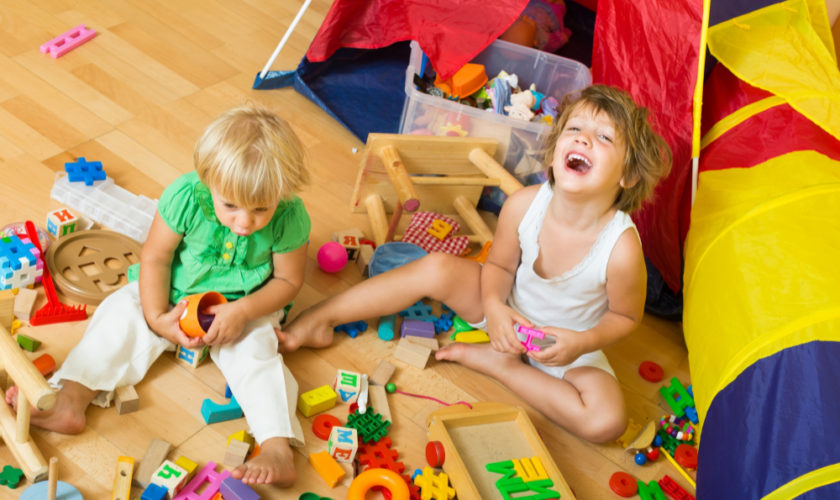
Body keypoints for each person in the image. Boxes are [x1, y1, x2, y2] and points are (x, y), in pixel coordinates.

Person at [278, 85, 671, 443]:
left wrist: (580, 343)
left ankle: (504, 367)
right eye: (575, 129)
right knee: (435, 267)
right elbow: (498, 268)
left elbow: (624, 317)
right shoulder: (523, 205)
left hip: (567, 344)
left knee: (606, 422)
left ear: (629, 175)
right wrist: (497, 308)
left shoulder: (620, 247)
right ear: (554, 152)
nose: (584, 137)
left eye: (604, 138)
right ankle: (321, 317)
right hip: (504, 306)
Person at [8, 105, 312, 485]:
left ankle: (276, 447)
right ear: (208, 182)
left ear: (282, 193)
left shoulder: (290, 216)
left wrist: (243, 310)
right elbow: (155, 257)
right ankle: (71, 398)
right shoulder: (186, 196)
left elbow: (287, 283)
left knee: (259, 354)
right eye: (230, 206)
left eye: (260, 209)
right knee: (119, 312)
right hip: (172, 292)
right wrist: (155, 316)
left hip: (246, 305)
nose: (245, 222)